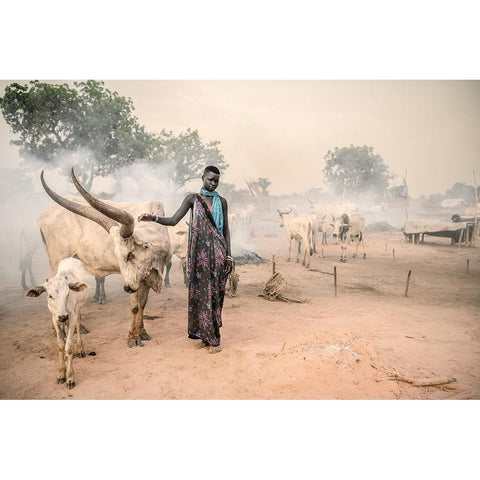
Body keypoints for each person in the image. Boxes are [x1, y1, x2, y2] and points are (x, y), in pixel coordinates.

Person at [138, 166, 233, 354]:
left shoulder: (222, 202)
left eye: (216, 180)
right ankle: (205, 337)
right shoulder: (193, 199)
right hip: (199, 257)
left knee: (214, 296)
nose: (213, 183)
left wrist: (229, 256)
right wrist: (154, 218)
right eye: (210, 179)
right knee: (200, 296)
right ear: (203, 178)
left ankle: (215, 340)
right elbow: (174, 220)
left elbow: (226, 230)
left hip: (218, 255)